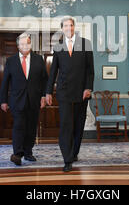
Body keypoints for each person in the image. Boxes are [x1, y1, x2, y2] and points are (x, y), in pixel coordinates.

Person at [46, 17, 94, 172]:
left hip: (81, 92)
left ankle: (74, 153)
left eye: (71, 25)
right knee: (66, 126)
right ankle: (67, 159)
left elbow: (90, 70)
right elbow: (53, 71)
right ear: (62, 28)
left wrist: (88, 88)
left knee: (78, 125)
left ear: (74, 27)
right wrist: (48, 92)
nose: (69, 28)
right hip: (64, 92)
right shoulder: (58, 47)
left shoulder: (85, 44)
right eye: (66, 25)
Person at [0, 33, 48, 166]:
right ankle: (17, 154)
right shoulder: (11, 61)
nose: (25, 46)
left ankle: (28, 152)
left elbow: (45, 80)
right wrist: (3, 100)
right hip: (17, 100)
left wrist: (44, 95)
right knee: (19, 125)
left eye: (27, 43)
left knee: (31, 127)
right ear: (18, 46)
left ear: (30, 44)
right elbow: (5, 82)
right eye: (22, 44)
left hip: (34, 100)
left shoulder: (39, 59)